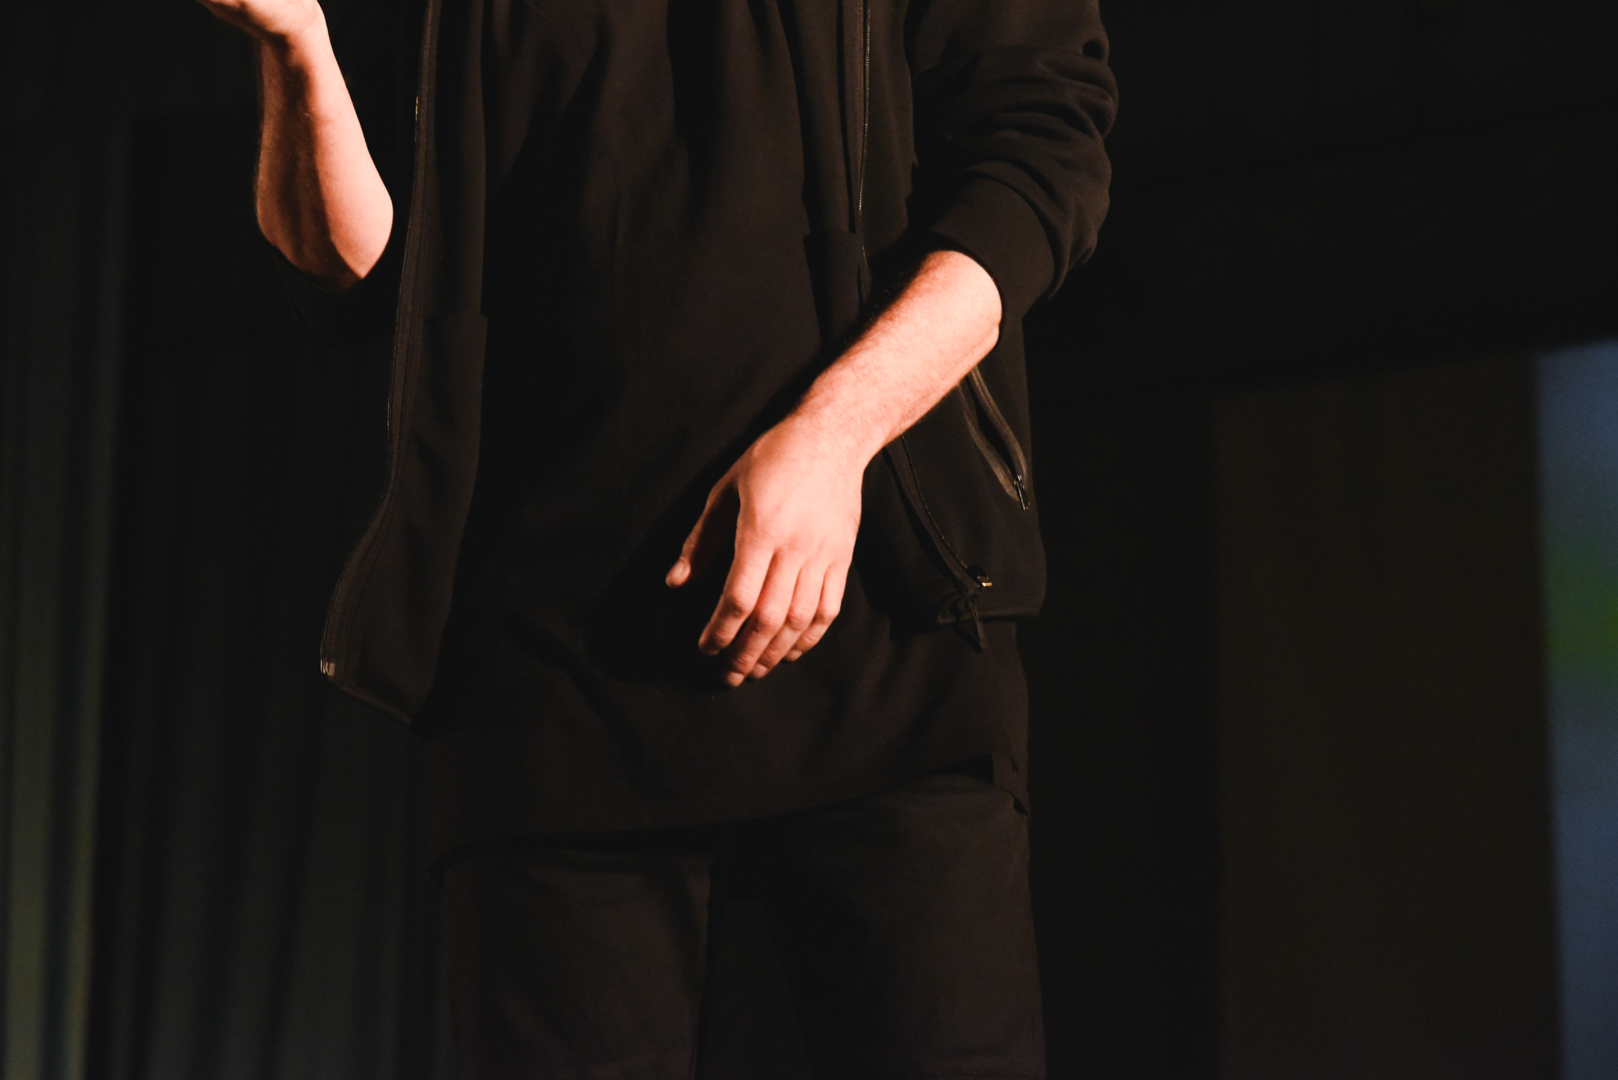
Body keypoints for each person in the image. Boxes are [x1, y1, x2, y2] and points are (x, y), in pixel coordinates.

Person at [197, 0, 1116, 1074]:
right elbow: (361, 279)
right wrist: (296, 46)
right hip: (543, 680)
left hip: (884, 643)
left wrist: (833, 439)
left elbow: (1041, 160)